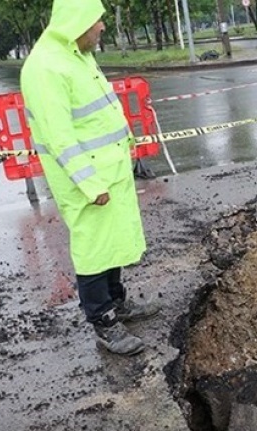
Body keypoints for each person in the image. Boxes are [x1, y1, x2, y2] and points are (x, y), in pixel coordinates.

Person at [20, 0, 159, 356]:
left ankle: (117, 302)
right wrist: (90, 184)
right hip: (89, 180)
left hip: (109, 171)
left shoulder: (78, 55)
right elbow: (59, 137)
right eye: (96, 21)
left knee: (112, 241)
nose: (102, 28)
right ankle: (103, 321)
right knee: (94, 249)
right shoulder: (45, 67)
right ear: (76, 20)